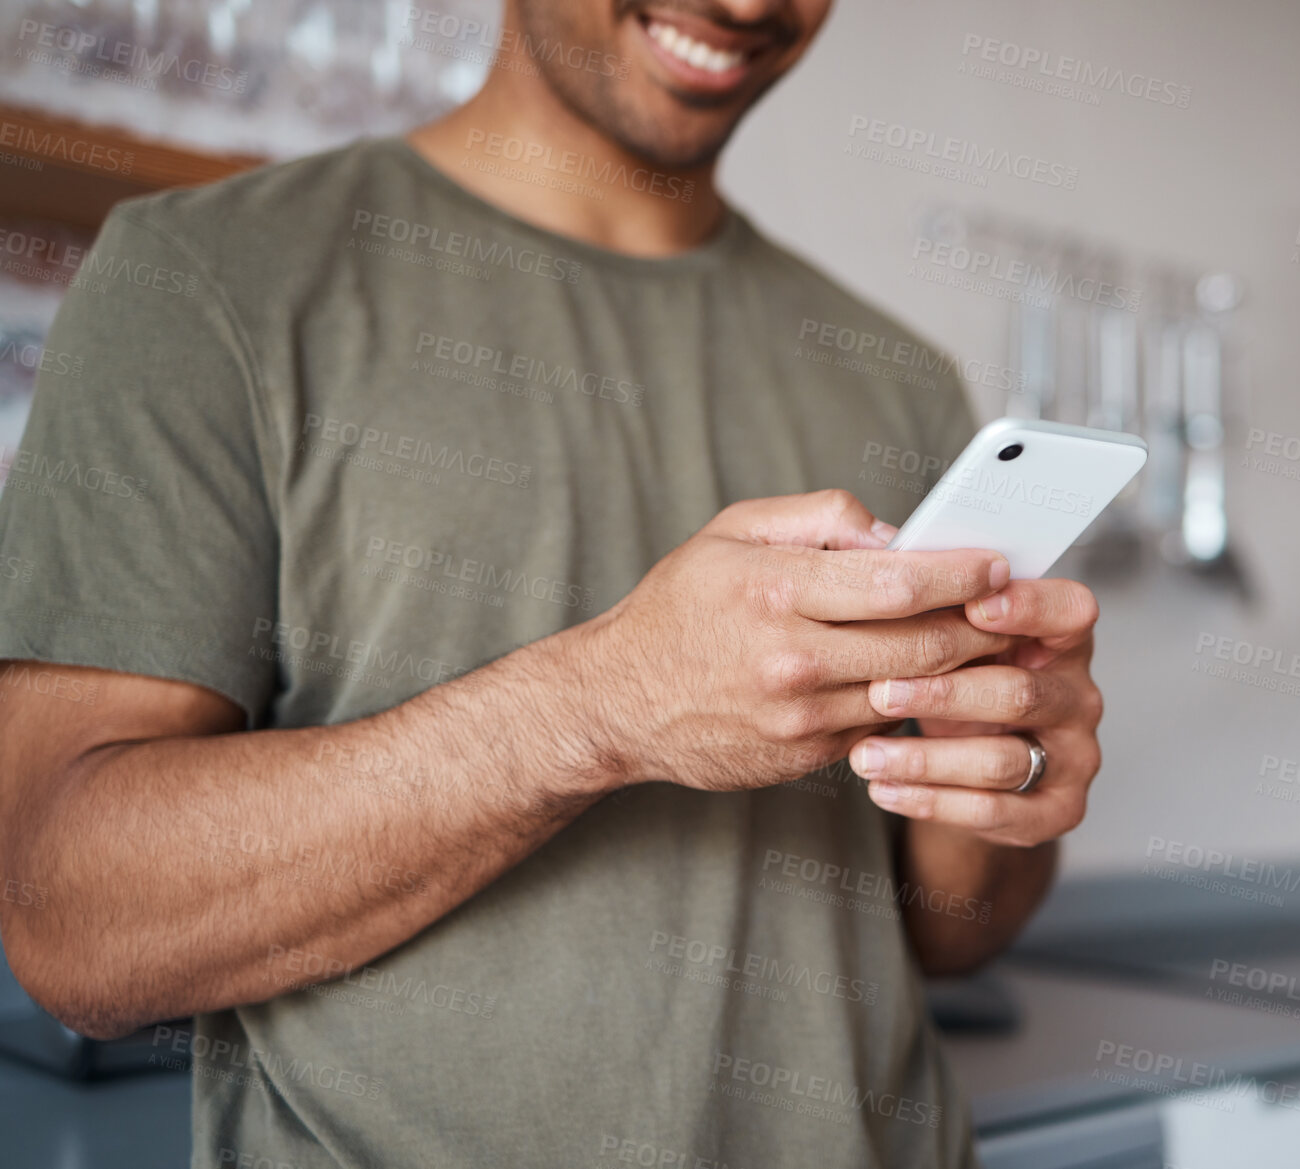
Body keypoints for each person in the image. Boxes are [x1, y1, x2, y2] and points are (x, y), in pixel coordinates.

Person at [0, 1, 1104, 1165]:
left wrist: (1015, 782)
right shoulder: (206, 281)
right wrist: (599, 708)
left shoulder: (901, 381)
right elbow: (70, 922)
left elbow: (947, 934)